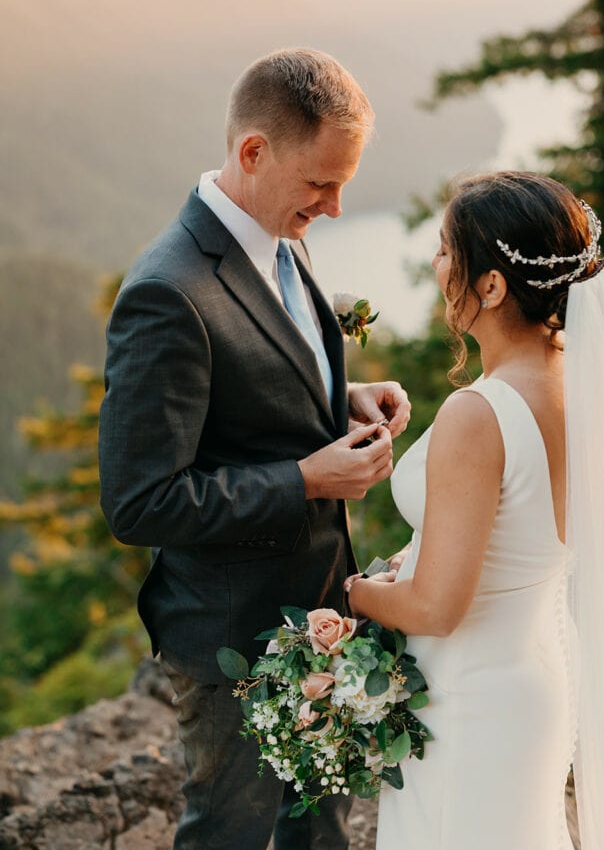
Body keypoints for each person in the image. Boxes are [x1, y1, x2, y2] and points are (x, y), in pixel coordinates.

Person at [98, 48, 411, 850]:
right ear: (252, 153)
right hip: (231, 633)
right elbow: (139, 502)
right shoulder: (167, 292)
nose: (335, 206)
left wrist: (342, 396)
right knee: (232, 835)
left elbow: (257, 375)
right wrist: (304, 478)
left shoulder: (282, 236)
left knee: (324, 829)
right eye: (320, 184)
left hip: (323, 609)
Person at [345, 171, 604, 849]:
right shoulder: (578, 390)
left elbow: (437, 608)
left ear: (492, 286)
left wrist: (346, 591)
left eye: (446, 251)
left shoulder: (480, 412)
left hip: (467, 699)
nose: (436, 265)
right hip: (535, 677)